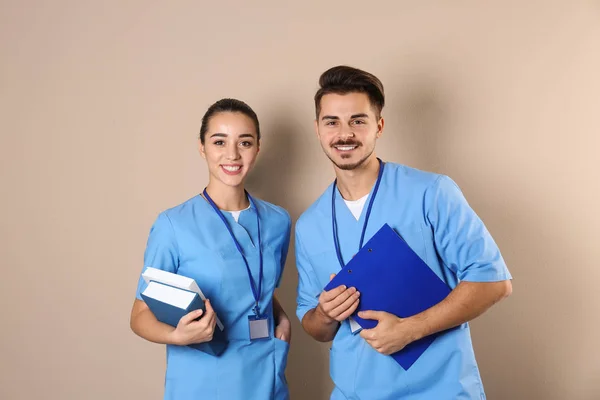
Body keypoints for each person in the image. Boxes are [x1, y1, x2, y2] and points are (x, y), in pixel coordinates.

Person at [295, 65, 513, 399]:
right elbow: (315, 326)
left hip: (438, 390)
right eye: (332, 122)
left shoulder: (431, 193)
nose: (345, 133)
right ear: (318, 129)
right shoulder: (310, 224)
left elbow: (494, 282)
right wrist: (324, 313)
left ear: (378, 126)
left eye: (358, 120)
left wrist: (410, 330)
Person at [130, 98, 292, 400]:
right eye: (220, 141)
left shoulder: (278, 221)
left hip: (265, 372)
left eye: (244, 142)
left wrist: (281, 320)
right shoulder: (173, 225)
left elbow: (261, 286)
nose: (232, 154)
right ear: (202, 147)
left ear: (258, 147)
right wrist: (176, 335)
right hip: (203, 377)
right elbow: (139, 315)